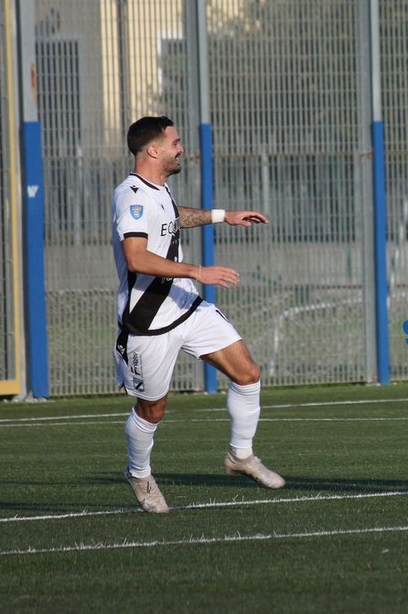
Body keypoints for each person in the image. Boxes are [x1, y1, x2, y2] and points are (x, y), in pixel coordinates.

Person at [112, 115, 284, 514]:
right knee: (152, 409)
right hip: (148, 322)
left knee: (248, 373)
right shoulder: (131, 197)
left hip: (186, 306)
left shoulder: (159, 189)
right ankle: (139, 473)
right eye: (175, 142)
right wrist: (196, 271)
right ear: (153, 150)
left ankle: (241, 455)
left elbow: (173, 217)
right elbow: (136, 258)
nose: (181, 148)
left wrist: (224, 216)